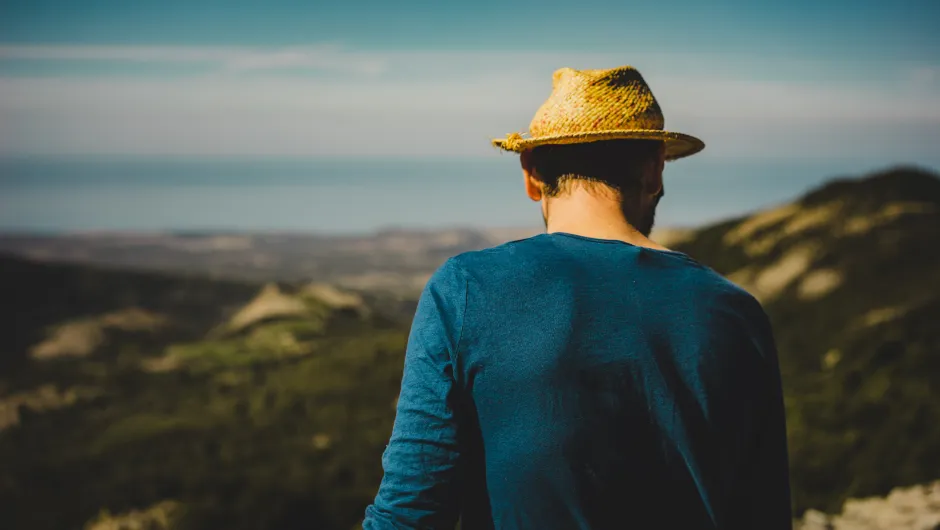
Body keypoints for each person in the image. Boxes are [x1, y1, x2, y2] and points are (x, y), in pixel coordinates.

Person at [362, 65, 791, 529]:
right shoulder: (735, 312)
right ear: (654, 171)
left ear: (530, 174)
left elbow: (410, 513)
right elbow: (763, 511)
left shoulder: (467, 288)